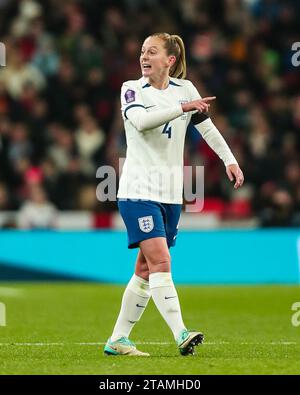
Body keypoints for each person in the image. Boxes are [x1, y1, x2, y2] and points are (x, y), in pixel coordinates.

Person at [104, 33, 244, 357]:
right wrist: (181, 108)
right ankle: (181, 332)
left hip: (170, 195)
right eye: (142, 51)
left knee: (144, 269)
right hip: (137, 191)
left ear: (169, 60)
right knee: (162, 261)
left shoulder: (186, 89)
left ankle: (118, 339)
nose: (143, 56)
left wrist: (230, 160)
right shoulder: (131, 88)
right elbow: (140, 121)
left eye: (151, 51)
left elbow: (207, 129)